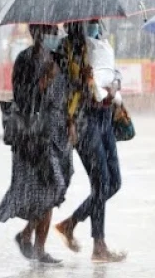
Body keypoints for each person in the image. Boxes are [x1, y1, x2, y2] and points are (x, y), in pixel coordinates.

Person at [0, 24, 72, 265]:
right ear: (37, 34)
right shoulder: (25, 60)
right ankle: (34, 243)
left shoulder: (60, 57)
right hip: (34, 136)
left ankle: (31, 240)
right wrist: (42, 83)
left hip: (58, 134)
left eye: (55, 32)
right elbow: (22, 99)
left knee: (54, 190)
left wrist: (71, 121)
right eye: (49, 32)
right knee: (49, 188)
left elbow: (67, 93)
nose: (53, 36)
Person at [54, 20, 126, 264]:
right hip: (83, 120)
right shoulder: (65, 50)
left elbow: (113, 73)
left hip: (105, 116)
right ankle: (99, 245)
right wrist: (83, 83)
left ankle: (70, 223)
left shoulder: (100, 45)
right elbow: (62, 89)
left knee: (114, 182)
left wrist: (114, 85)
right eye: (91, 22)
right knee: (101, 182)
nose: (95, 25)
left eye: (97, 21)